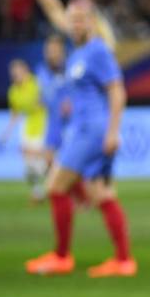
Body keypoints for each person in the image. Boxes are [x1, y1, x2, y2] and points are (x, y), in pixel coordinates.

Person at [18, 0, 136, 277]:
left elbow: (117, 91)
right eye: (72, 18)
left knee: (56, 185)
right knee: (101, 192)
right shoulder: (80, 47)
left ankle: (61, 256)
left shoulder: (97, 50)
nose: (74, 23)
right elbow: (54, 8)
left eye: (80, 18)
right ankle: (124, 261)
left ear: (92, 21)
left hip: (93, 130)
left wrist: (113, 132)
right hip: (90, 129)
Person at [36, 34, 88, 204]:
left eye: (54, 50)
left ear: (62, 51)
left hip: (71, 123)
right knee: (49, 160)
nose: (51, 53)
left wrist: (71, 102)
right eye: (48, 50)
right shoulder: (42, 71)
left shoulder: (72, 68)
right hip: (53, 123)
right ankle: (77, 196)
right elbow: (45, 94)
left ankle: (80, 198)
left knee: (69, 163)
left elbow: (79, 91)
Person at [1, 59, 48, 203]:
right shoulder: (13, 91)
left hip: (43, 124)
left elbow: (47, 99)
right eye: (13, 73)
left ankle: (56, 185)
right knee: (28, 168)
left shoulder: (36, 83)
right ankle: (38, 193)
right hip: (27, 128)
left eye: (18, 72)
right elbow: (15, 113)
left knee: (43, 162)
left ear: (25, 70)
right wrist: (7, 132)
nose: (15, 75)